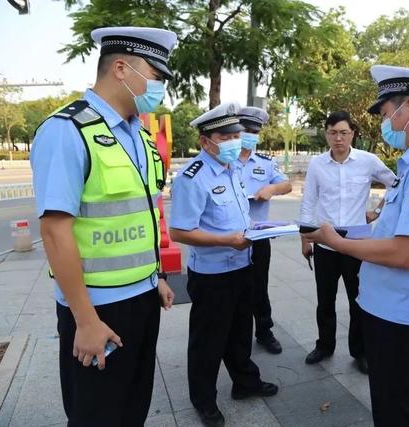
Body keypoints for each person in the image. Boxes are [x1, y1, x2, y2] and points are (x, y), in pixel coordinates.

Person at [302, 65, 409, 426]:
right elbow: (401, 232)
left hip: (404, 320)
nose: (385, 123)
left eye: (385, 113)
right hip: (397, 311)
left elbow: (406, 253)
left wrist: (338, 244)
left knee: (402, 415)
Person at [30, 26, 176, 426]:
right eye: (156, 75)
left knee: (132, 408)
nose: (159, 86)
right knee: (96, 415)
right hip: (97, 309)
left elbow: (145, 214)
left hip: (144, 299)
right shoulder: (67, 131)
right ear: (122, 68)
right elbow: (55, 232)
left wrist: (157, 276)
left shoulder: (141, 137)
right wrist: (86, 320)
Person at [169, 102, 278, 427]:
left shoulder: (233, 171)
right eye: (226, 136)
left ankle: (245, 383)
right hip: (212, 276)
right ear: (205, 141)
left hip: (243, 265)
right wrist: (227, 240)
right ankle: (204, 400)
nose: (234, 141)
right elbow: (180, 231)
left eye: (237, 134)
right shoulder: (193, 177)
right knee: (208, 341)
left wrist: (255, 231)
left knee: (241, 332)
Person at [299, 110, 396, 374]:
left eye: (343, 132)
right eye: (332, 133)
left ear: (352, 133)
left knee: (358, 299)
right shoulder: (318, 165)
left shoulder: (367, 161)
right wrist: (305, 238)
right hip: (325, 244)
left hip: (356, 243)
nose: (338, 138)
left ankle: (360, 351)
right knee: (325, 299)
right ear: (326, 134)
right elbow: (308, 203)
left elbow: (395, 184)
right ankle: (324, 345)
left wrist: (377, 211)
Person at [235, 106, 292, 354]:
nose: (251, 135)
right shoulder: (226, 158)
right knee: (235, 287)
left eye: (255, 131)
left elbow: (287, 185)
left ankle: (264, 331)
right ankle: (237, 333)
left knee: (260, 285)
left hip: (259, 236)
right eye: (246, 130)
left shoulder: (265, 163)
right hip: (232, 237)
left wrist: (271, 190)